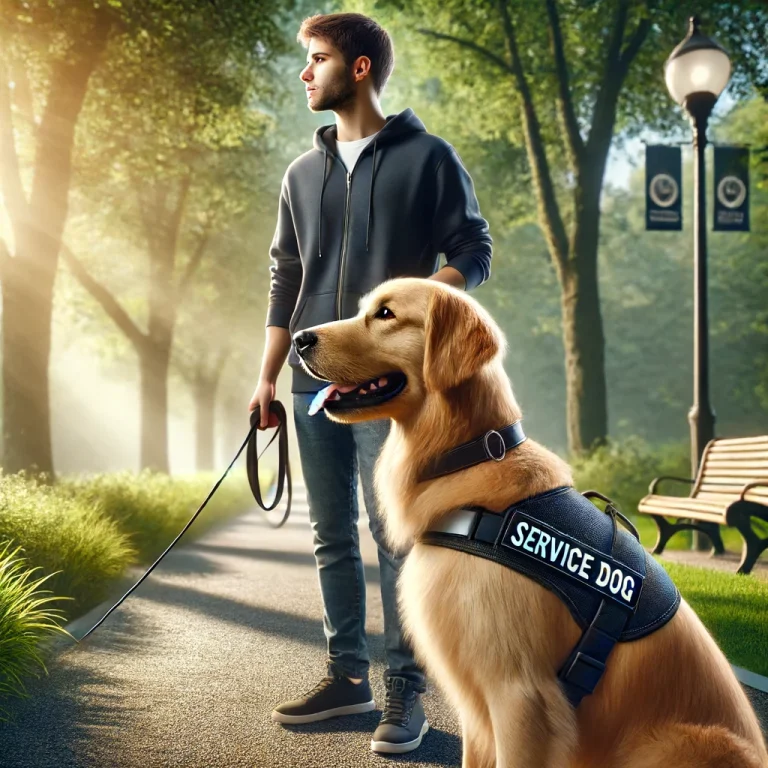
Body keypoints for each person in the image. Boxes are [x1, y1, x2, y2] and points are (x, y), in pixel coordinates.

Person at [248, 12, 493, 756]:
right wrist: (265, 377)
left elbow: (474, 249)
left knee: (396, 538)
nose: (305, 72)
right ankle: (346, 677)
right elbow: (284, 278)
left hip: (388, 385)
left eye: (316, 59)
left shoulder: (428, 158)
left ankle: (406, 692)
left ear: (358, 69)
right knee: (329, 534)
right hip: (310, 379)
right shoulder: (300, 173)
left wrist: (415, 302)